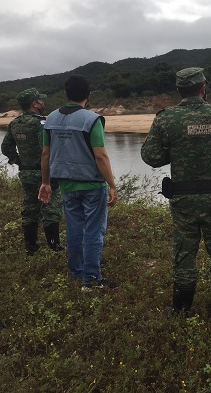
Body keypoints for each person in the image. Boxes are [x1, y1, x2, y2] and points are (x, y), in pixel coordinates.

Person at [141, 67, 211, 319]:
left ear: (179, 90)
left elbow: (151, 156)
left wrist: (176, 150)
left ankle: (180, 308)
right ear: (204, 89)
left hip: (183, 199)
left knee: (184, 251)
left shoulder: (166, 118)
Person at [38, 75, 119, 291]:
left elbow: (46, 154)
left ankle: (76, 272)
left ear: (67, 94)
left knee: (74, 229)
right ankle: (91, 280)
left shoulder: (51, 119)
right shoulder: (91, 119)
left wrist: (45, 183)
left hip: (66, 184)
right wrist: (111, 184)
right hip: (92, 185)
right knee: (93, 231)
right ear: (88, 95)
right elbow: (100, 156)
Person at [1, 88, 64, 255]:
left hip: (26, 173)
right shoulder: (41, 123)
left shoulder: (15, 123)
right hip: (44, 173)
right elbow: (47, 150)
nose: (42, 103)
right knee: (50, 207)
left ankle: (31, 246)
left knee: (30, 207)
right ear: (35, 103)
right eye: (39, 100)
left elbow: (6, 147)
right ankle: (54, 246)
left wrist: (19, 160)